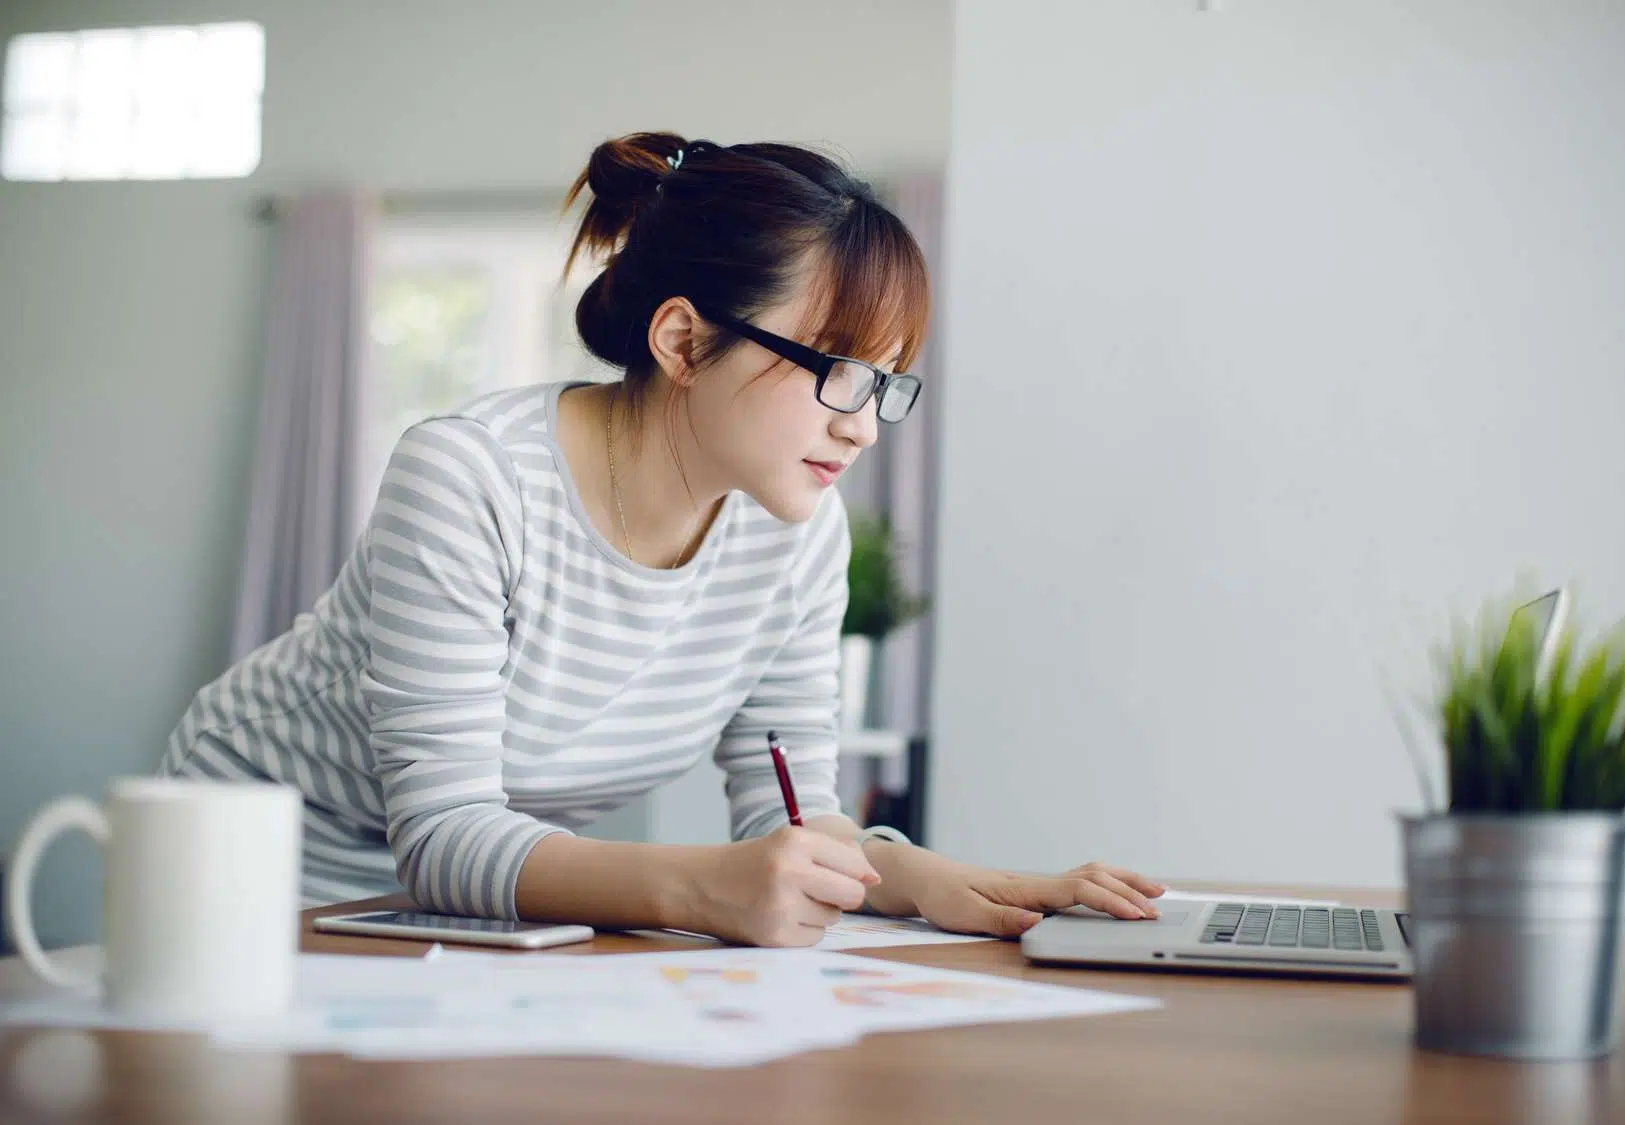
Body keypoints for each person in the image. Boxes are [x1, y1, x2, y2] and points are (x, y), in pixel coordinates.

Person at [161, 132, 1165, 946]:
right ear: (683, 341)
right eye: (835, 369)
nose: (860, 424)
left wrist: (939, 884)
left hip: (496, 917)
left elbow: (788, 819)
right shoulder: (469, 479)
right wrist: (706, 891)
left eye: (885, 381)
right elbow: (442, 839)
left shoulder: (797, 537)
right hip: (263, 871)